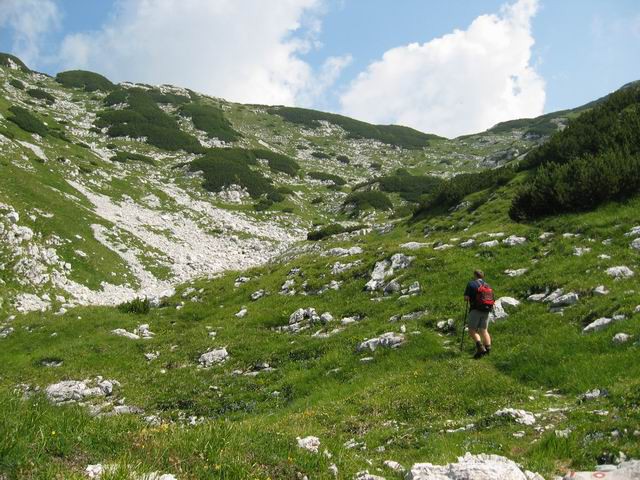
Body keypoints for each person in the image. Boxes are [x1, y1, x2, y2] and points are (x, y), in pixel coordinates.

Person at [463, 269, 493, 359]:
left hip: (475, 310)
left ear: (475, 275)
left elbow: (466, 298)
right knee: (484, 330)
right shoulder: (488, 285)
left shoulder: (471, 284)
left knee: (472, 330)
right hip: (487, 310)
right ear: (483, 276)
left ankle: (480, 347)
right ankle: (488, 350)